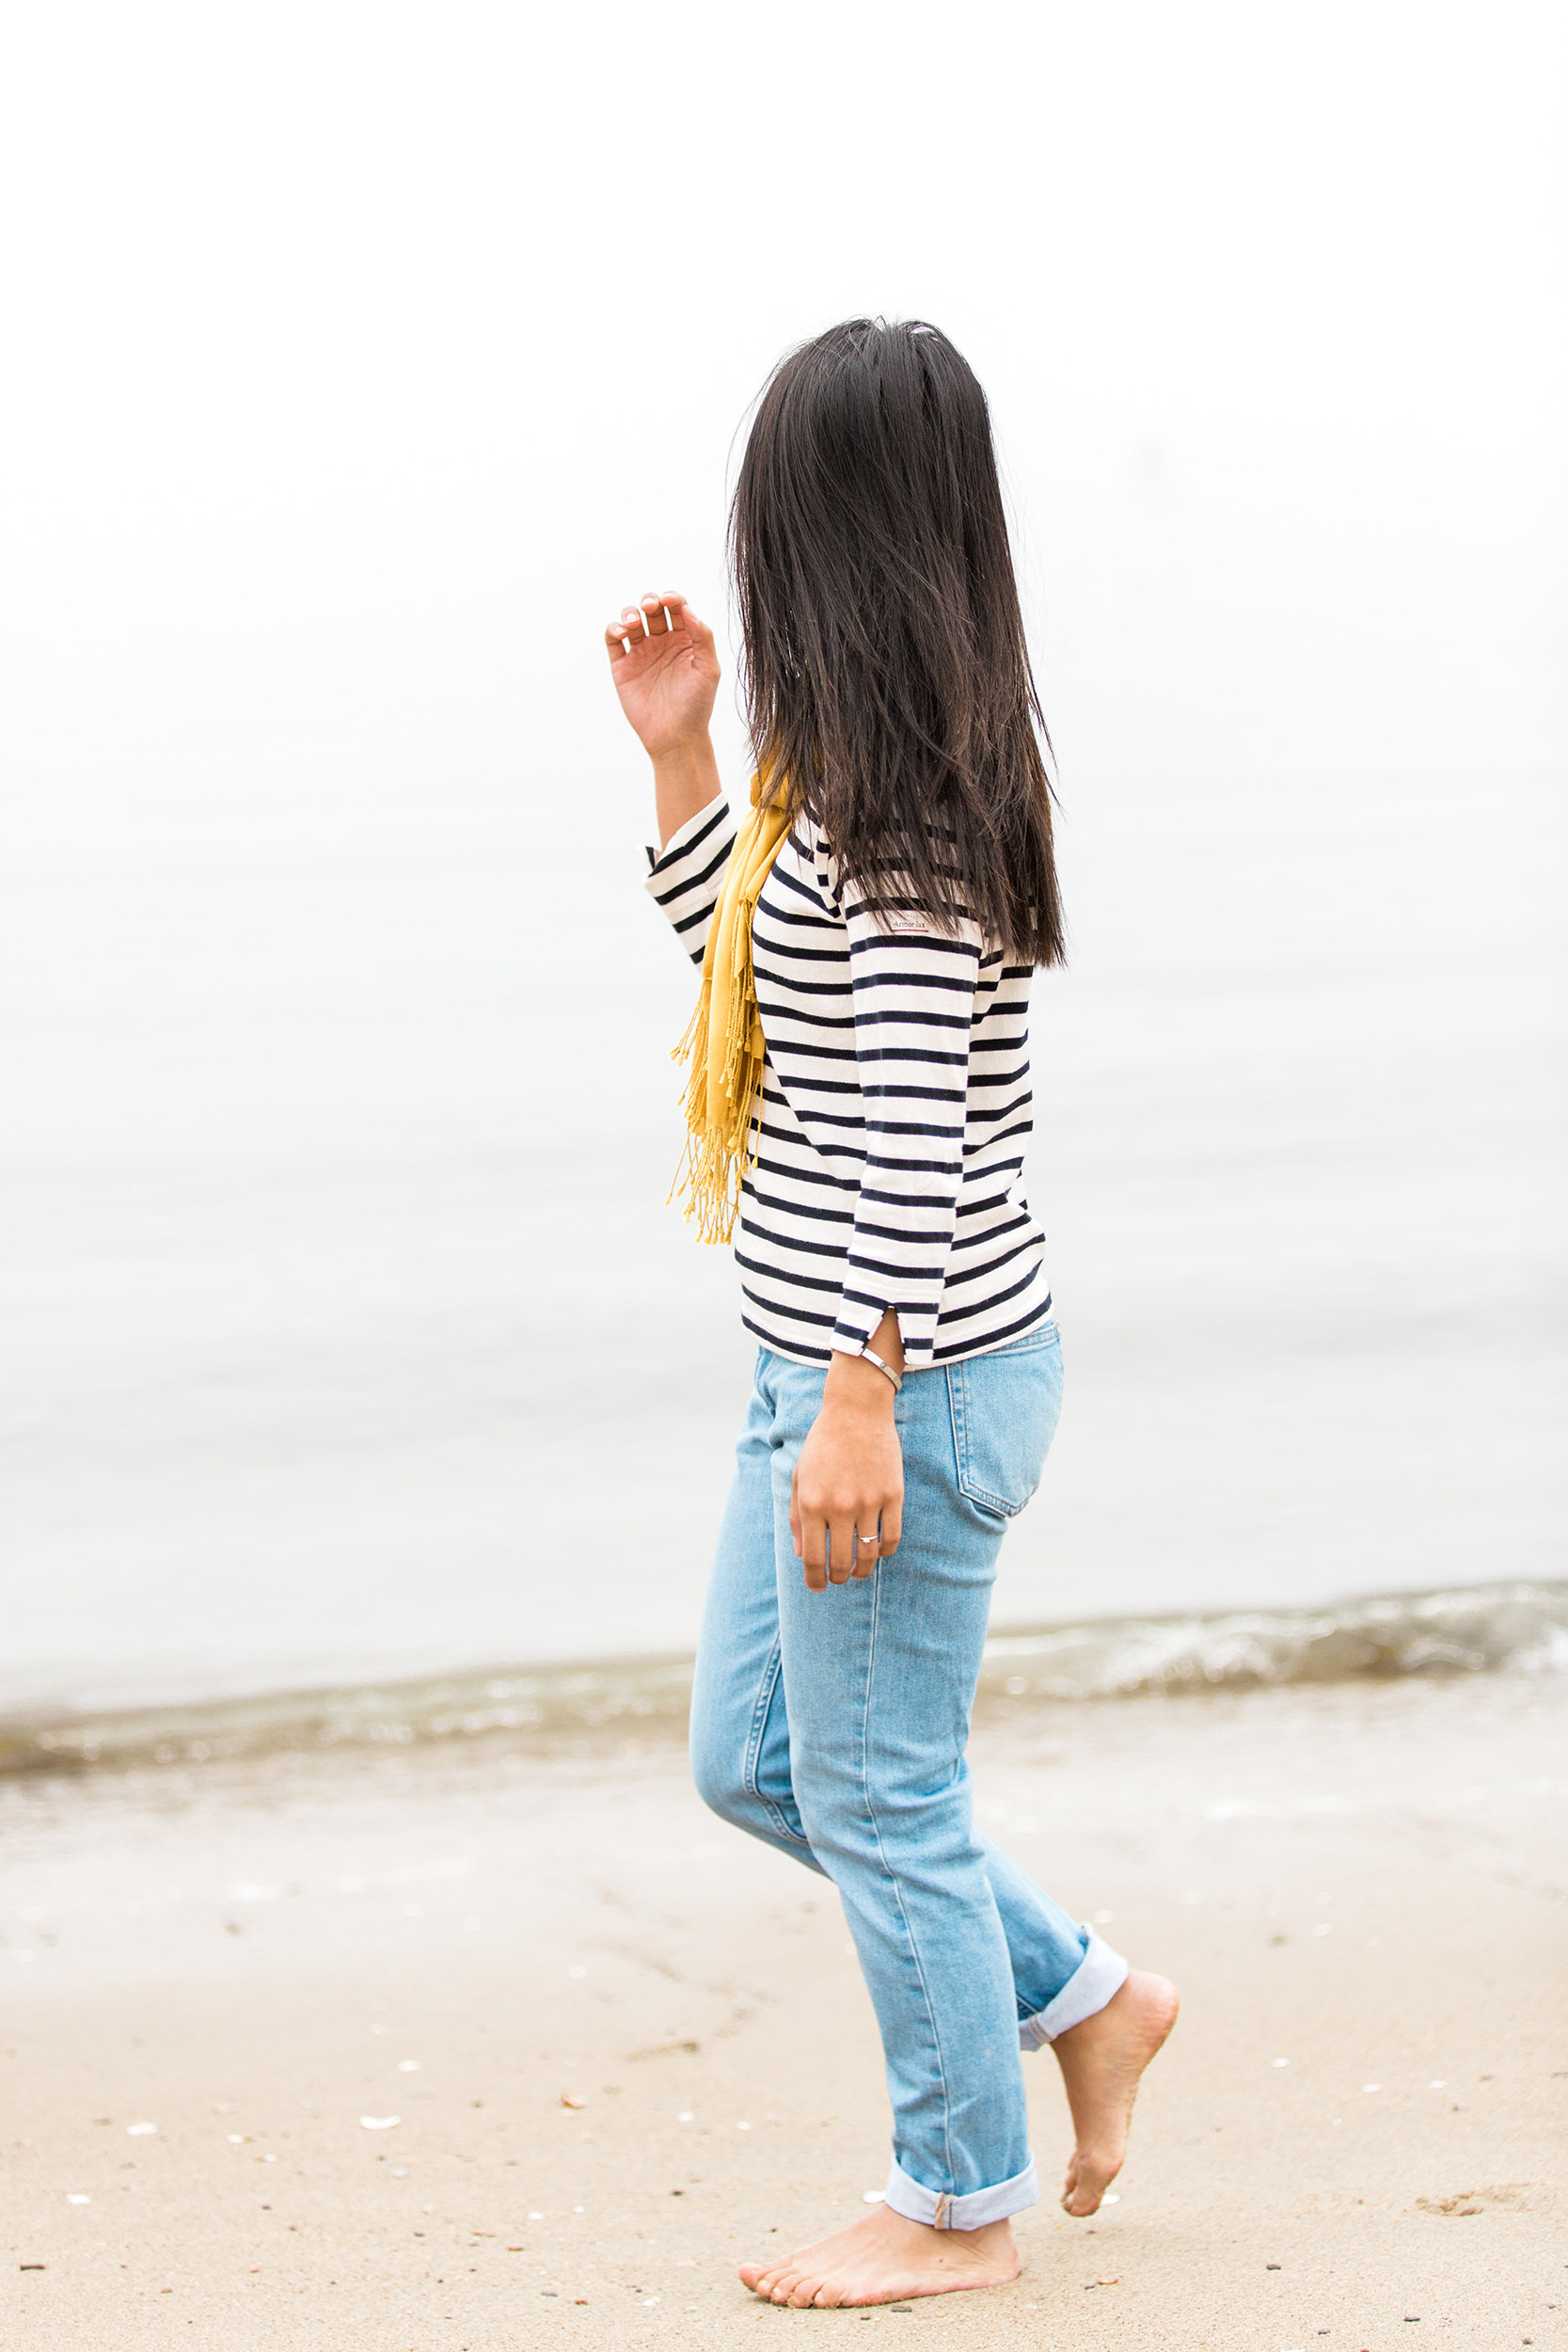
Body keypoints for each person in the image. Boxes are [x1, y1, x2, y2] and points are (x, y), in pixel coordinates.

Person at [603, 318, 1177, 2312]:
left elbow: (915, 1133)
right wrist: (679, 756)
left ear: (830, 536)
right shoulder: (831, 779)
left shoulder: (918, 808)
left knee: (877, 1787)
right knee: (759, 1760)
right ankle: (1083, 1996)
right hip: (823, 1365)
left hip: (899, 1373)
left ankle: (955, 2200)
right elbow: (749, 982)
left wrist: (861, 1389)